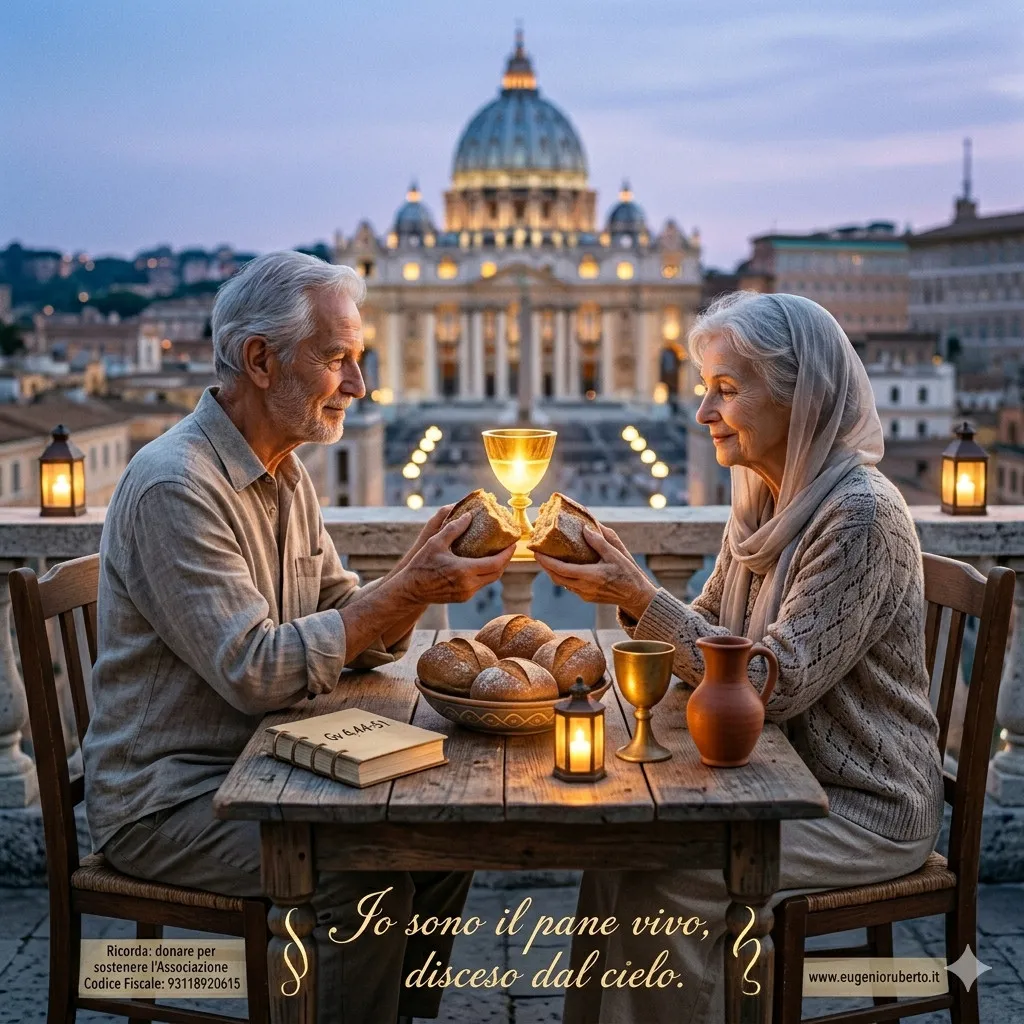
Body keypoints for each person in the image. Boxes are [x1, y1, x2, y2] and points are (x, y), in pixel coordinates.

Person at [82, 251, 516, 1024]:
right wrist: (409, 589)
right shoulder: (176, 485)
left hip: (268, 761)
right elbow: (257, 671)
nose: (359, 386)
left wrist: (416, 578)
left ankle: (384, 1010)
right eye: (338, 360)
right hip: (174, 797)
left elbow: (343, 609)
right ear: (259, 360)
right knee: (366, 874)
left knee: (445, 836)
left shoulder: (283, 470)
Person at [534, 291, 945, 1023]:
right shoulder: (762, 497)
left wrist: (640, 592)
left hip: (857, 806)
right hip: (769, 776)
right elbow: (714, 626)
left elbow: (764, 686)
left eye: (726, 391)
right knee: (617, 850)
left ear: (801, 398)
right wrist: (635, 591)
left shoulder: (861, 516)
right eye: (705, 390)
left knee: (670, 878)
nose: (702, 413)